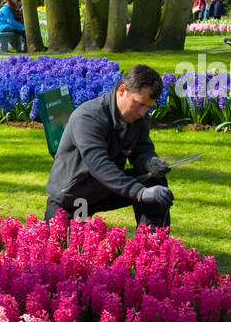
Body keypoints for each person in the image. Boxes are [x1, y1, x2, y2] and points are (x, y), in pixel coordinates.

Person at [44, 64, 174, 229]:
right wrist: (140, 192)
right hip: (74, 196)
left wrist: (150, 162)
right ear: (122, 90)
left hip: (105, 189)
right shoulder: (88, 117)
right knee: (65, 249)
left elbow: (142, 150)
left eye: (148, 107)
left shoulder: (138, 118)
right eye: (139, 104)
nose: (143, 112)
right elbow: (99, 165)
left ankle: (152, 244)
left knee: (155, 180)